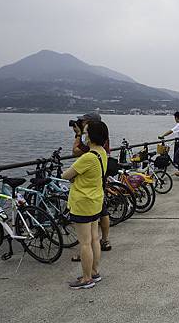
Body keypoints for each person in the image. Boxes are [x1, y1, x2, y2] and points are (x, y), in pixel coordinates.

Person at [63, 120, 109, 289]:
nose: (85, 134)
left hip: (83, 202)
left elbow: (65, 175)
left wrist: (75, 177)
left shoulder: (88, 157)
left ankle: (86, 278)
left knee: (84, 243)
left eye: (87, 131)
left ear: (92, 135)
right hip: (96, 200)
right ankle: (95, 272)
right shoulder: (101, 152)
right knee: (94, 239)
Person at [71, 112, 112, 258]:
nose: (82, 124)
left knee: (88, 232)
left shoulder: (93, 144)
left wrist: (77, 135)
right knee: (103, 211)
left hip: (89, 187)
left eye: (84, 122)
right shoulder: (103, 137)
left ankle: (86, 255)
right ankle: (105, 240)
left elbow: (75, 151)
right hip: (100, 179)